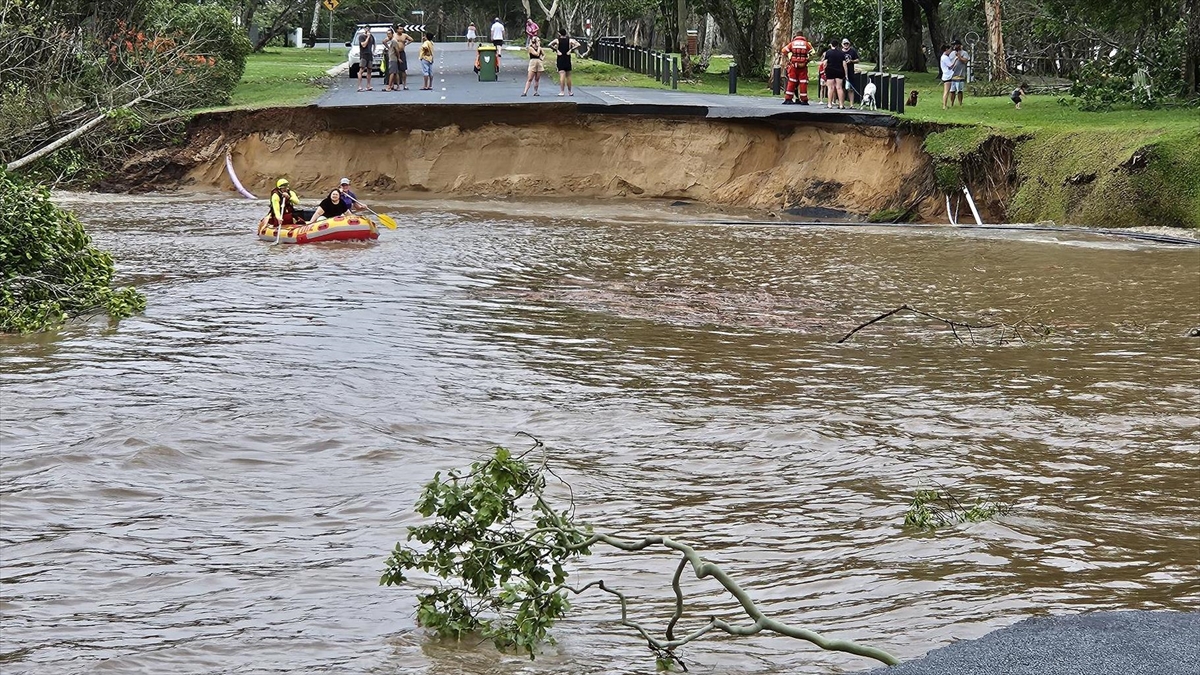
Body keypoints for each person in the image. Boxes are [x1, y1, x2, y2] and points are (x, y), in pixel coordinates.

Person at [780, 31, 811, 105]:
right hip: (803, 66)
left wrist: (790, 56)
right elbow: (812, 52)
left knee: (792, 82)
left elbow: (784, 51)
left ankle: (788, 99)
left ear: (796, 36)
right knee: (803, 82)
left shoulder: (792, 43)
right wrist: (807, 59)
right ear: (802, 36)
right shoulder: (806, 44)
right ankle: (804, 100)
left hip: (794, 65)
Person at [553, 29, 580, 96]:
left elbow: (549, 44)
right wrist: (571, 50)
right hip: (567, 57)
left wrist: (556, 50)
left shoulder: (557, 40)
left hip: (560, 57)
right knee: (568, 76)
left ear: (559, 34)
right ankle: (570, 91)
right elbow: (578, 44)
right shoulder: (570, 40)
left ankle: (562, 91)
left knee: (562, 75)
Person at [820, 40, 846, 109]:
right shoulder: (841, 53)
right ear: (837, 45)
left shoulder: (828, 53)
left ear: (831, 45)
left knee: (830, 88)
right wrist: (846, 74)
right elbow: (844, 64)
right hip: (839, 71)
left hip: (830, 71)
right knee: (839, 88)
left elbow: (825, 63)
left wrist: (824, 71)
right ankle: (841, 104)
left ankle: (829, 104)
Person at [948, 39, 969, 107]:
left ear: (960, 45)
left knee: (959, 90)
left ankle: (960, 103)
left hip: (960, 75)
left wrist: (959, 57)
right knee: (952, 91)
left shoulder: (964, 53)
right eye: (954, 45)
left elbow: (966, 61)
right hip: (952, 75)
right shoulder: (951, 53)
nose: (955, 46)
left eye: (956, 45)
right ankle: (952, 103)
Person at [841, 38, 860, 107]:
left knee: (851, 88)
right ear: (842, 44)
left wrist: (851, 61)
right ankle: (841, 104)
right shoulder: (840, 52)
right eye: (844, 44)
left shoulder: (853, 51)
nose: (846, 45)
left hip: (850, 72)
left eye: (847, 44)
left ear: (849, 44)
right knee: (842, 88)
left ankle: (851, 104)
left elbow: (857, 60)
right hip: (841, 72)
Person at [356, 26, 375, 92]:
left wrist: (373, 51)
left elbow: (373, 44)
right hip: (364, 55)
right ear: (364, 29)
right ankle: (359, 86)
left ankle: (368, 85)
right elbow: (363, 45)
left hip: (369, 55)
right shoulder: (361, 37)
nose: (368, 30)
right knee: (361, 70)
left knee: (369, 70)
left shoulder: (372, 36)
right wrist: (368, 37)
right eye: (366, 28)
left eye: (369, 29)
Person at [939, 44, 954, 109]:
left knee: (947, 91)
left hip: (948, 75)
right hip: (947, 76)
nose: (950, 51)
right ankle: (944, 105)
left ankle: (945, 104)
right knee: (946, 91)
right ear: (946, 49)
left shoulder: (945, 57)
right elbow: (951, 65)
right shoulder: (945, 57)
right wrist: (956, 60)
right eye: (949, 49)